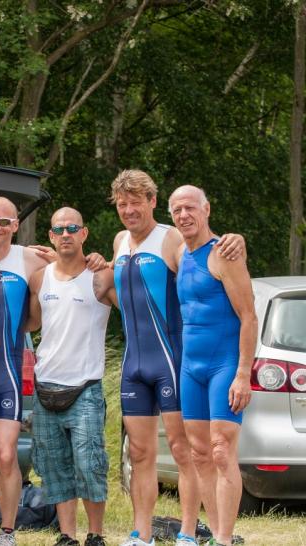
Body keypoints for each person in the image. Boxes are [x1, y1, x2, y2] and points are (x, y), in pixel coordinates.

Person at [0, 197, 107, 546]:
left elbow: (70, 268)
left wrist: (99, 260)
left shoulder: (30, 259)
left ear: (16, 226)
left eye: (4, 221)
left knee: (6, 454)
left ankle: (8, 531)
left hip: (8, 368)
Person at [109, 170, 244, 546]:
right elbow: (120, 291)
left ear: (153, 202)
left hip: (171, 360)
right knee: (139, 452)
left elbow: (207, 258)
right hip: (134, 364)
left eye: (136, 202)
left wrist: (234, 241)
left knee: (185, 450)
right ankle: (142, 534)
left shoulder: (171, 238)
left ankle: (187, 531)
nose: (129, 210)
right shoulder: (120, 241)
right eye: (122, 204)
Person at [169, 185, 256, 546]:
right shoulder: (179, 252)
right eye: (177, 210)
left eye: (190, 207)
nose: (184, 215)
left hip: (224, 365)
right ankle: (220, 535)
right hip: (191, 367)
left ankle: (224, 539)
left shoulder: (224, 253)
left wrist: (243, 374)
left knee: (221, 450)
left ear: (206, 210)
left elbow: (248, 316)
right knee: (200, 453)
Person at [27, 208, 116, 546]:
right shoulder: (40, 279)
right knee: (54, 467)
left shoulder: (100, 277)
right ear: (51, 236)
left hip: (85, 387)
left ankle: (95, 535)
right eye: (59, 229)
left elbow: (135, 307)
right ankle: (67, 536)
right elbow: (33, 323)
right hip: (45, 385)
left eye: (72, 228)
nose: (66, 234)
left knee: (90, 463)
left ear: (84, 233)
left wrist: (109, 263)